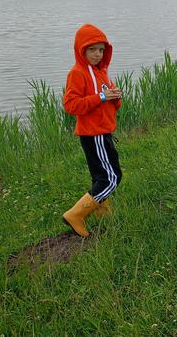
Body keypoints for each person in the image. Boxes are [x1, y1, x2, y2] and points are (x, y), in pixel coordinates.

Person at [62, 23, 123, 237]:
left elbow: (107, 101)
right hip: (93, 133)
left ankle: (102, 210)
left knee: (100, 175)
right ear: (81, 50)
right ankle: (76, 214)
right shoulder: (78, 73)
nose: (98, 54)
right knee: (112, 177)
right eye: (92, 50)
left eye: (101, 50)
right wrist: (102, 97)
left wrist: (115, 98)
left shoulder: (101, 72)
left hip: (104, 130)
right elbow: (70, 105)